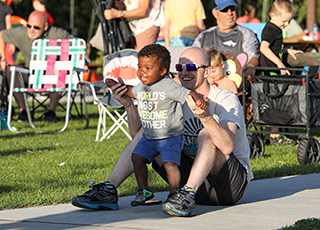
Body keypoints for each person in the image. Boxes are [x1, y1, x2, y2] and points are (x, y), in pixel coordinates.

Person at [72, 47, 253, 217]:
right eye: (179, 67)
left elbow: (227, 146)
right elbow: (139, 134)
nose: (183, 72)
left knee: (207, 133)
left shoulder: (224, 99)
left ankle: (187, 195)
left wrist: (206, 117)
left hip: (227, 184)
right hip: (188, 179)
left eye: (190, 67)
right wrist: (129, 106)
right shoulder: (173, 96)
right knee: (151, 132)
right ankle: (108, 189)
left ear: (206, 72)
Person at [105, 44, 207, 206]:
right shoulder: (143, 86)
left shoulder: (168, 85)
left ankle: (174, 194)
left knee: (170, 164)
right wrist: (116, 86)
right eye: (139, 67)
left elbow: (187, 93)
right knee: (136, 158)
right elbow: (131, 92)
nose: (141, 71)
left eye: (147, 68)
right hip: (149, 136)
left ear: (162, 71)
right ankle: (144, 191)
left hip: (170, 136)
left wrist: (198, 99)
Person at [0, 11, 74, 122]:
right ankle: (23, 112)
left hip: (52, 75)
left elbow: (78, 43)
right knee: (11, 71)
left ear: (45, 27)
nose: (31, 29)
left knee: (60, 70)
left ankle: (51, 112)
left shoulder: (56, 33)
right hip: (31, 74)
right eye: (29, 26)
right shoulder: (22, 33)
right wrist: (3, 57)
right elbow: (1, 35)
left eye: (36, 27)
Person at [259, 0, 302, 145]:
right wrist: (279, 64)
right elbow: (264, 48)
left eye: (289, 21)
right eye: (284, 21)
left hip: (272, 71)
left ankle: (268, 134)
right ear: (272, 15)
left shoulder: (276, 28)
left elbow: (274, 48)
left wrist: (287, 50)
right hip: (270, 72)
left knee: (272, 100)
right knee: (274, 101)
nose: (286, 25)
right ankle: (275, 134)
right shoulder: (271, 29)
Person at [192, 0, 259, 76]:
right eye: (225, 10)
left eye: (232, 9)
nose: (230, 13)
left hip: (237, 84)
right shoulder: (203, 37)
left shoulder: (246, 34)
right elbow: (192, 60)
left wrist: (250, 68)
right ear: (215, 13)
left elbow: (253, 58)